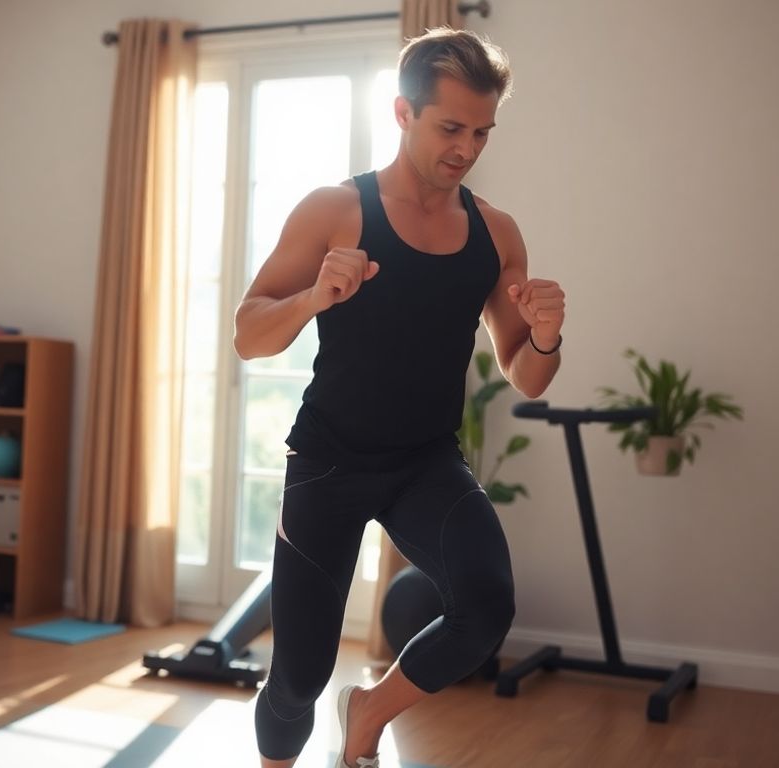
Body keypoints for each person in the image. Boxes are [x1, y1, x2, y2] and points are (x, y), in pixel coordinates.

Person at [232, 27, 566, 768]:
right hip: (329, 462)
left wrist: (543, 336)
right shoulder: (335, 210)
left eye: (482, 131)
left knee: (486, 608)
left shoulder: (495, 233)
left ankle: (370, 711)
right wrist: (314, 296)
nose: (467, 147)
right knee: (296, 678)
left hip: (425, 463)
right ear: (403, 113)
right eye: (451, 127)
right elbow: (248, 335)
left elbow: (525, 372)